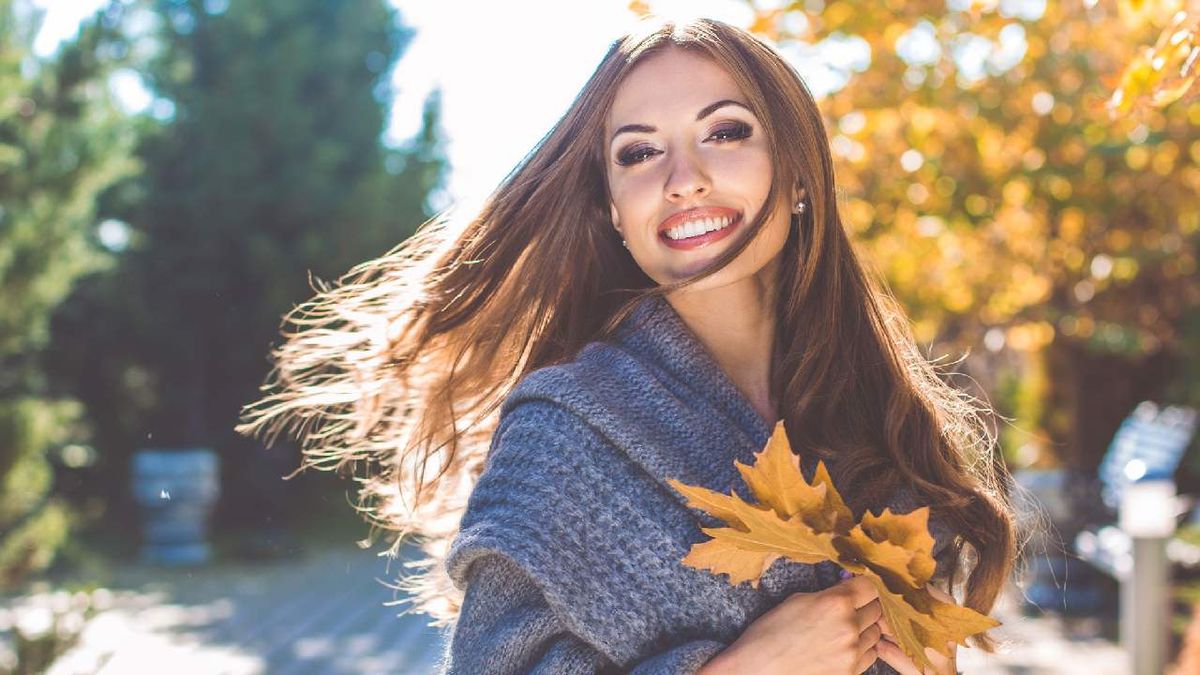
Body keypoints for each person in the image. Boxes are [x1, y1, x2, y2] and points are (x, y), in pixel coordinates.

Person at [238, 16, 1017, 675]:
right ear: (615, 210)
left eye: (725, 131)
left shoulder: (880, 420)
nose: (684, 177)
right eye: (640, 153)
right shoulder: (565, 431)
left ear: (801, 175)